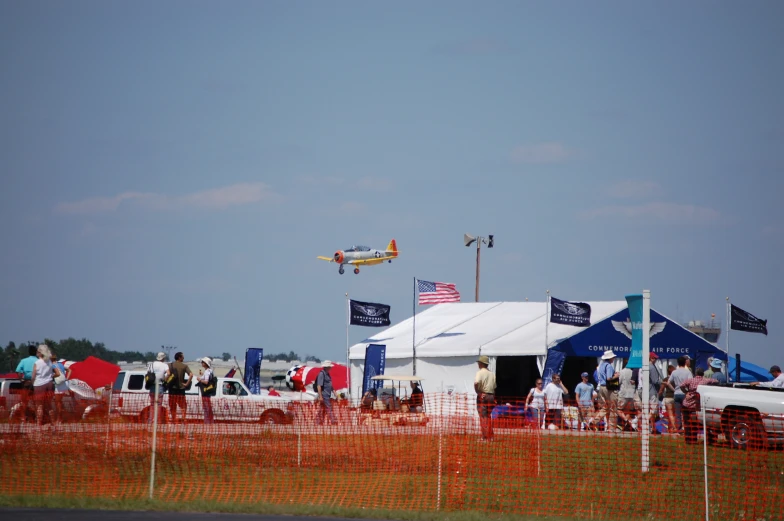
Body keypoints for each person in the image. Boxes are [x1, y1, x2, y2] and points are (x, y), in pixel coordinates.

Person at [680, 367, 719, 444]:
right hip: (696, 405)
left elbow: (681, 385)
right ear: (703, 374)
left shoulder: (691, 380)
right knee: (697, 423)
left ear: (695, 373)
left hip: (686, 404)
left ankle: (689, 440)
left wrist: (686, 392)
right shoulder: (705, 380)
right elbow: (716, 381)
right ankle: (698, 439)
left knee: (687, 423)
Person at [31, 344, 59, 425]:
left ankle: (39, 423)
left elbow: (33, 375)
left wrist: (32, 383)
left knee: (39, 405)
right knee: (49, 404)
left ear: (40, 352)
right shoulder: (50, 362)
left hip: (39, 384)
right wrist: (51, 376)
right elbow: (57, 372)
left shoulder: (37, 362)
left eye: (38, 351)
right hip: (49, 384)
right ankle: (53, 422)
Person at [596, 350, 620, 432]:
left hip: (601, 387)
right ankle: (612, 427)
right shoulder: (609, 366)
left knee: (605, 407)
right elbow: (609, 378)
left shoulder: (601, 365)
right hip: (608, 388)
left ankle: (594, 421)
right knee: (613, 407)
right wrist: (616, 376)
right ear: (611, 358)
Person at [474, 355, 496, 440]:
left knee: (483, 417)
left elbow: (476, 383)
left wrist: (479, 393)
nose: (478, 364)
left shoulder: (479, 373)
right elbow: (494, 387)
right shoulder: (492, 374)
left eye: (479, 363)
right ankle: (491, 436)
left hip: (482, 396)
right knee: (488, 416)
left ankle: (484, 437)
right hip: (491, 396)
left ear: (481, 363)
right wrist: (494, 397)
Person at [166, 352, 193, 424]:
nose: (183, 358)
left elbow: (167, 375)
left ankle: (173, 419)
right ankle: (184, 419)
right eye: (183, 357)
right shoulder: (184, 366)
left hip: (172, 388)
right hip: (181, 388)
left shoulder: (170, 365)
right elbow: (191, 374)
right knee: (183, 405)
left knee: (172, 404)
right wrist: (187, 383)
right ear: (179, 357)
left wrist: (166, 382)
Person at [669, 356, 693, 434]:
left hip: (676, 393)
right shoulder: (688, 372)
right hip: (685, 393)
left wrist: (674, 389)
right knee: (686, 412)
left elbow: (668, 382)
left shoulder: (674, 372)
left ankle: (679, 428)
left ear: (678, 363)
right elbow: (691, 382)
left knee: (678, 413)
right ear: (685, 363)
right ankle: (686, 428)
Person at [15, 345, 38, 419]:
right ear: (36, 352)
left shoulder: (24, 360)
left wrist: (21, 380)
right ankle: (37, 417)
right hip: (36, 383)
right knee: (36, 401)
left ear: (29, 352)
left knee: (24, 401)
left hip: (26, 382)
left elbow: (18, 371)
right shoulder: (39, 361)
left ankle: (23, 417)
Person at [147, 352, 169, 422]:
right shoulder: (165, 365)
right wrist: (164, 379)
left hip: (152, 385)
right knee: (159, 404)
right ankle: (157, 420)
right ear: (163, 358)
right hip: (160, 385)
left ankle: (150, 419)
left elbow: (148, 373)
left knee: (152, 404)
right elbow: (168, 373)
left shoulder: (151, 364)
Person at [50, 352, 69, 425]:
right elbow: (69, 370)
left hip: (58, 385)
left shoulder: (53, 365)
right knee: (59, 402)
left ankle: (59, 419)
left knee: (58, 403)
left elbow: (57, 374)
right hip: (63, 384)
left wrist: (51, 377)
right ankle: (61, 418)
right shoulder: (61, 364)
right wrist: (67, 378)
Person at [316, 360, 336, 425]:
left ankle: (319, 421)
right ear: (327, 367)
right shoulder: (321, 374)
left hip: (327, 395)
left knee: (322, 409)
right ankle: (333, 421)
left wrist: (335, 393)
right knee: (328, 407)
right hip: (324, 395)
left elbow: (330, 385)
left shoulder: (327, 374)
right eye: (330, 367)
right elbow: (319, 386)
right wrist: (320, 396)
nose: (331, 368)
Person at [195, 357, 215, 424]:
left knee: (206, 407)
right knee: (208, 407)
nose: (202, 363)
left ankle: (207, 422)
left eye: (203, 362)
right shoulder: (210, 371)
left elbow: (206, 382)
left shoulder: (207, 372)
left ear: (206, 363)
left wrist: (199, 380)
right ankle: (210, 421)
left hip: (205, 392)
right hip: (208, 391)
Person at [659, 365, 678, 434]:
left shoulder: (666, 379)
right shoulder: (676, 378)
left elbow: (661, 390)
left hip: (668, 397)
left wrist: (658, 396)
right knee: (674, 414)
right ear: (670, 370)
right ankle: (671, 428)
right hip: (675, 397)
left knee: (670, 414)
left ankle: (674, 428)